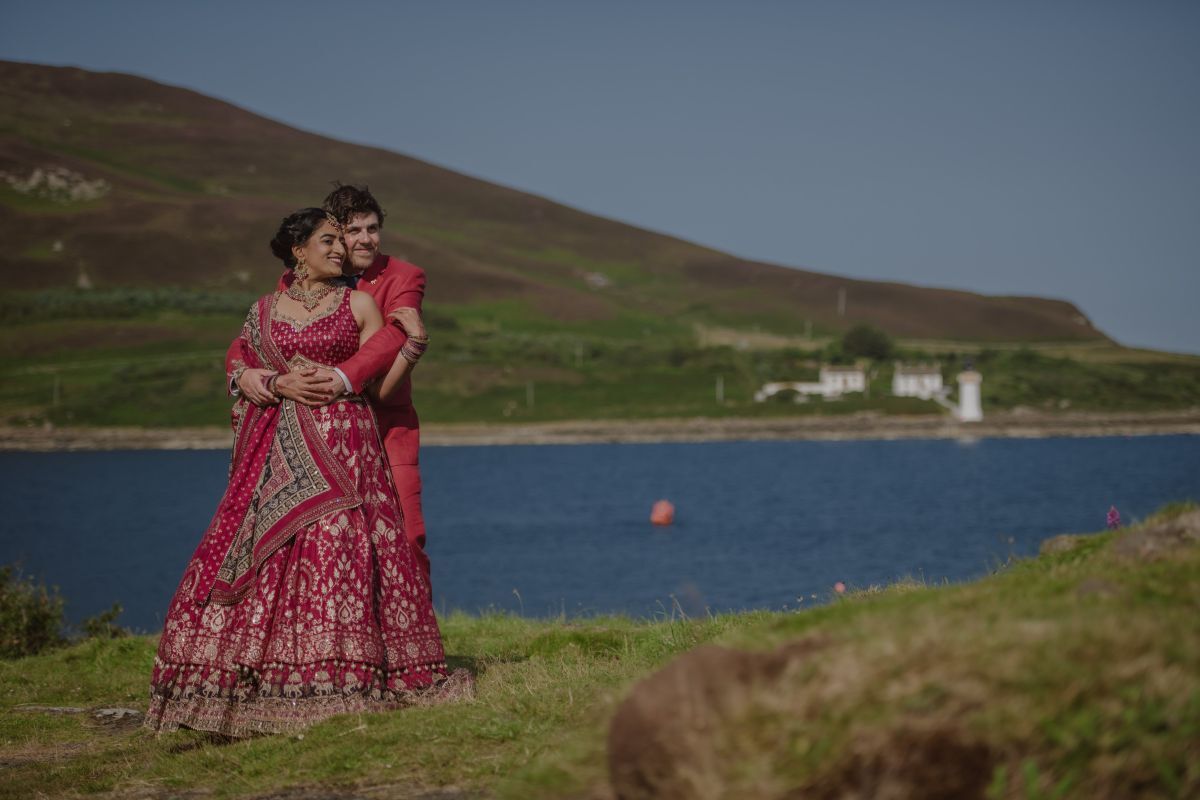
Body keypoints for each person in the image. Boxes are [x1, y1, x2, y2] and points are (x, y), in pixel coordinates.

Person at [146, 209, 466, 737]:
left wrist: (409, 347)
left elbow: (378, 389)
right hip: (276, 457)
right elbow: (239, 366)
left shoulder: (360, 304)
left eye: (344, 241)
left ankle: (343, 677)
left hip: (346, 453)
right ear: (299, 250)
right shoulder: (263, 311)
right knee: (263, 555)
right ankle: (251, 678)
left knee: (337, 551)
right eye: (329, 241)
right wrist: (269, 380)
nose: (341, 250)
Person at [232, 185, 433, 583]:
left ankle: (413, 638)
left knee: (406, 536)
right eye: (353, 231)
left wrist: (340, 379)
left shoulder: (403, 276)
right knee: (323, 540)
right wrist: (244, 373)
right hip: (313, 430)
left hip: (386, 422)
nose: (364, 240)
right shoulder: (296, 280)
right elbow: (260, 336)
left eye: (372, 229)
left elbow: (393, 334)